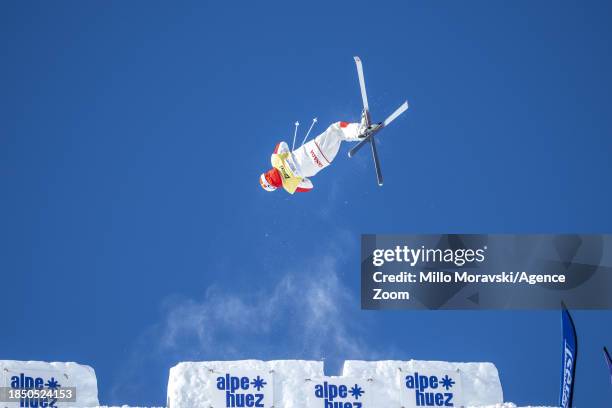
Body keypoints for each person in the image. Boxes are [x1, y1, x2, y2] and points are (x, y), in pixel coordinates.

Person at [259, 115, 372, 193]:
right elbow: (282, 144)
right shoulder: (275, 161)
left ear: (275, 187)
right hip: (314, 148)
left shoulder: (289, 187)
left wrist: (298, 178)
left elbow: (309, 186)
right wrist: (286, 157)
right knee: (337, 128)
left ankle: (361, 131)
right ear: (267, 173)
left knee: (339, 135)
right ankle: (361, 131)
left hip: (324, 160)